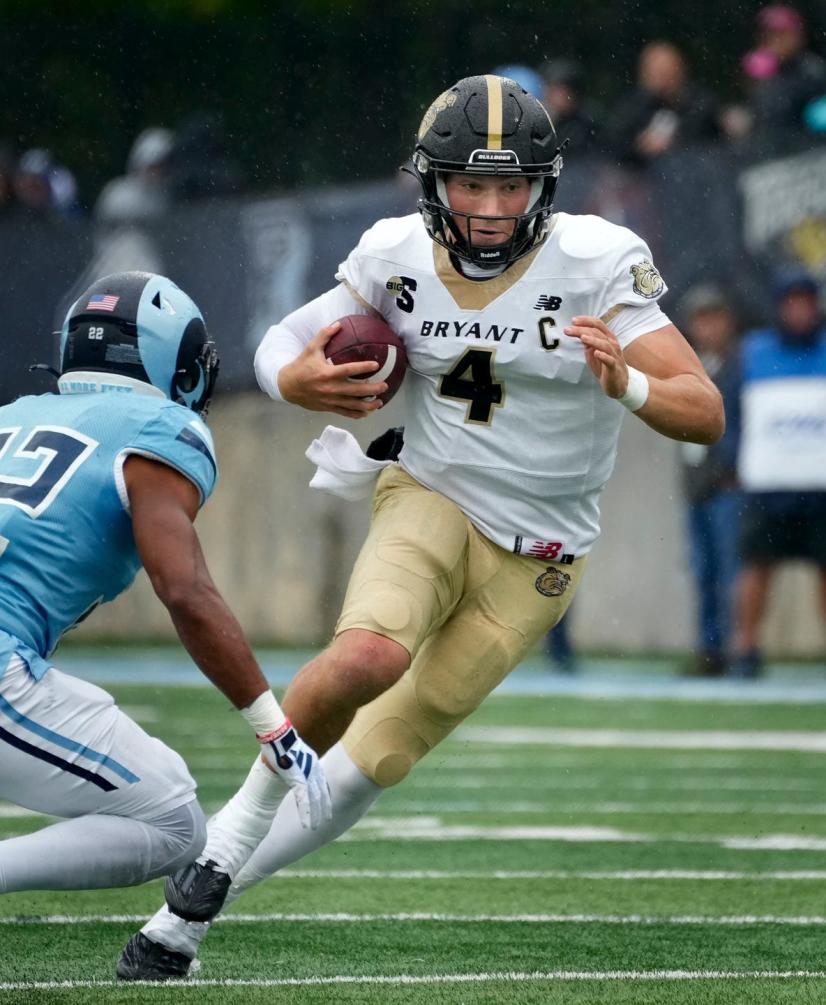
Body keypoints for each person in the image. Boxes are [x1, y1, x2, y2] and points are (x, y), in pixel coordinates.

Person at [119, 73, 724, 979]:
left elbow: (704, 408)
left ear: (543, 186)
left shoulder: (597, 260)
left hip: (542, 557)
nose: (488, 206)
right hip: (432, 492)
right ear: (432, 182)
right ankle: (225, 840)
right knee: (369, 654)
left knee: (380, 757)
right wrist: (294, 383)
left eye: (510, 184)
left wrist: (626, 384)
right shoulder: (394, 252)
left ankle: (186, 913)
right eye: (470, 184)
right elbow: (279, 341)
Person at [0, 272, 328, 943]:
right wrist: (272, 724)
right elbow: (182, 588)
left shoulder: (14, 415)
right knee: (175, 820)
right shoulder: (161, 427)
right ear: (174, 364)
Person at [727, 269, 826, 682]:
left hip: (823, 485)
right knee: (757, 567)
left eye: (807, 301)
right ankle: (745, 649)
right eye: (792, 302)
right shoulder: (753, 352)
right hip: (768, 485)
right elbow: (728, 414)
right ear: (779, 307)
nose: (800, 310)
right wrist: (734, 461)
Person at [677, 285, 741, 677]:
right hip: (696, 484)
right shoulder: (692, 363)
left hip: (727, 485)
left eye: (715, 317)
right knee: (704, 572)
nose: (708, 326)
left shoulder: (740, 365)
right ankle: (710, 649)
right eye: (701, 318)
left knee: (729, 571)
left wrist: (733, 469)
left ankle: (736, 649)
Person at [608, 42, 721, 169]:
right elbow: (614, 145)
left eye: (667, 72)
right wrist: (638, 146)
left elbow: (711, 142)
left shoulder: (701, 104)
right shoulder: (632, 106)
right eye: (656, 72)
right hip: (642, 179)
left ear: (681, 71)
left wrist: (676, 142)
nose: (662, 78)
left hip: (692, 176)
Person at [741, 5, 826, 132]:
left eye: (781, 34)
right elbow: (757, 112)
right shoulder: (761, 68)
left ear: (798, 36)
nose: (773, 40)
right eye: (768, 34)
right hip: (768, 144)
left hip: (806, 145)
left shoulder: (812, 69)